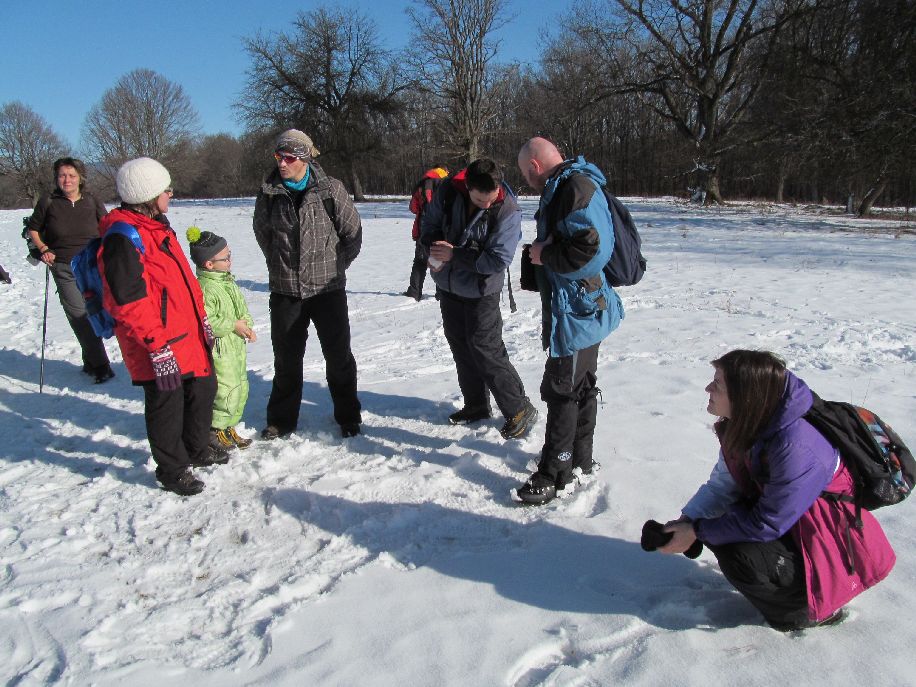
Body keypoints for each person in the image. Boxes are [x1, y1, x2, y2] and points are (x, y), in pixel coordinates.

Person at [656, 350, 896, 631]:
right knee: (725, 527)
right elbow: (724, 484)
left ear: (745, 395)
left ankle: (804, 612)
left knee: (735, 548)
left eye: (718, 383)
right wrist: (687, 522)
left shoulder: (795, 446)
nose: (708, 388)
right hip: (797, 530)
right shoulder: (744, 426)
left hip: (833, 550)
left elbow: (767, 523)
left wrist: (698, 530)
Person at [98, 157, 228, 496]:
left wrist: (202, 319)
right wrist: (156, 346)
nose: (171, 193)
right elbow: (128, 301)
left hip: (187, 334)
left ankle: (197, 448)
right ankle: (172, 469)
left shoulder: (159, 227)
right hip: (156, 342)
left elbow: (183, 281)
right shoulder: (122, 237)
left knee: (202, 390)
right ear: (148, 194)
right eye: (165, 189)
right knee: (166, 406)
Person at [515, 138, 624, 504]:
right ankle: (580, 457)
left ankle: (555, 471)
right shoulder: (568, 185)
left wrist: (545, 255)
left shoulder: (574, 188)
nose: (526, 181)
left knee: (562, 387)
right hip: (580, 307)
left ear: (533, 165)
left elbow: (592, 251)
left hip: (579, 310)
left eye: (523, 173)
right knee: (579, 384)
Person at [253, 129, 363, 439]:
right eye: (279, 157)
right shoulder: (269, 192)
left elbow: (352, 234)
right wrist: (281, 265)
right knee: (286, 361)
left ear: (304, 159)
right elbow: (263, 235)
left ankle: (348, 416)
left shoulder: (330, 189)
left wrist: (336, 266)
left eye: (288, 158)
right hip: (285, 291)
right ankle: (281, 420)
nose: (282, 163)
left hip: (328, 290)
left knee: (339, 357)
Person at [420, 158, 537, 439]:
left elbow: (497, 260)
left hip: (482, 290)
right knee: (460, 346)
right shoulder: (448, 191)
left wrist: (454, 255)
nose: (486, 203)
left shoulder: (507, 210)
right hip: (448, 285)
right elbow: (429, 225)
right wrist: (435, 248)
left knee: (485, 349)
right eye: (478, 198)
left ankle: (520, 408)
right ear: (467, 186)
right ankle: (476, 405)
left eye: (491, 197)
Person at [27, 157, 114, 383]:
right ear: (56, 178)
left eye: (71, 175)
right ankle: (101, 366)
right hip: (64, 265)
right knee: (78, 313)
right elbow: (34, 229)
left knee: (96, 311)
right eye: (62, 175)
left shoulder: (92, 200)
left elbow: (106, 227)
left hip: (92, 266)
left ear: (80, 178)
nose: (67, 180)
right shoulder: (48, 201)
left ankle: (90, 360)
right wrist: (44, 248)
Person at [186, 226, 256, 451]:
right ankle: (215, 430)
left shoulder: (227, 282)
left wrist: (246, 324)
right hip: (221, 348)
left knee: (240, 386)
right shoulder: (206, 287)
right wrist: (233, 325)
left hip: (235, 345)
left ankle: (229, 427)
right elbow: (207, 321)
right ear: (209, 264)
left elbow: (240, 308)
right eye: (225, 258)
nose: (230, 261)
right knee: (225, 390)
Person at [404, 166, 448, 301]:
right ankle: (442, 293)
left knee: (420, 260)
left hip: (424, 226)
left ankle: (414, 292)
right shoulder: (446, 184)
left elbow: (413, 207)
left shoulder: (422, 184)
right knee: (440, 258)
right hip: (441, 225)